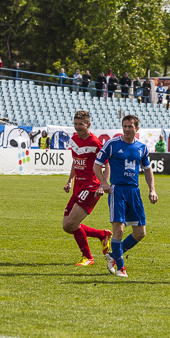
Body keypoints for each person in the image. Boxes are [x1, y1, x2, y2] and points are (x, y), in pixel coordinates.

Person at [93, 115, 158, 277]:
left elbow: (147, 169)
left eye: (130, 126)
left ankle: (113, 255)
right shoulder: (112, 144)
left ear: (137, 128)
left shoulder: (142, 148)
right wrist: (103, 183)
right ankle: (121, 268)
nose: (127, 129)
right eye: (125, 126)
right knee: (118, 229)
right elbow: (97, 165)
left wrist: (152, 190)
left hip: (134, 191)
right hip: (117, 191)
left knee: (140, 233)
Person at [63, 111, 112, 266]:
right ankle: (102, 234)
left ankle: (88, 257)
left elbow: (107, 165)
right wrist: (70, 180)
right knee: (67, 226)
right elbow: (75, 161)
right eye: (75, 123)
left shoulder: (96, 143)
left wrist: (102, 184)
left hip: (91, 186)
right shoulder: (74, 140)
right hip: (78, 185)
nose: (77, 127)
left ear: (88, 125)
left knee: (72, 223)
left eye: (81, 124)